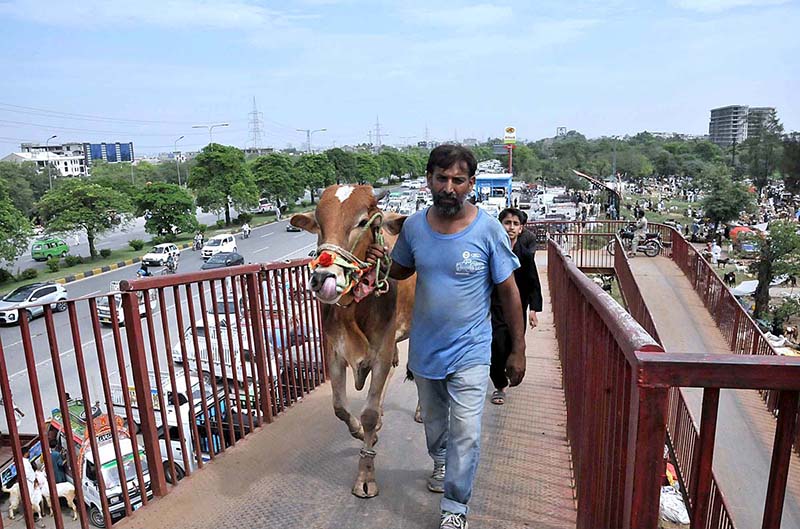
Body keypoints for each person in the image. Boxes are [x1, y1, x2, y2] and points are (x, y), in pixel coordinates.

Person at [367, 145, 525, 529]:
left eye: (458, 180)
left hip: (472, 351)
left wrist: (518, 350)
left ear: (471, 184)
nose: (449, 187)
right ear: (429, 181)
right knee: (437, 428)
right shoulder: (416, 227)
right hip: (426, 352)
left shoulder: (488, 229)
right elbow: (400, 271)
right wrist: (376, 263)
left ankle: (456, 507)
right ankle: (440, 460)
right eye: (442, 179)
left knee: (467, 432)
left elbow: (509, 292)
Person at [489, 208, 542, 406]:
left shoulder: (525, 256)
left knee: (513, 342)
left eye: (515, 224)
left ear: (521, 229)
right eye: (507, 223)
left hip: (518, 308)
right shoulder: (492, 251)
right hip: (496, 306)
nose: (510, 227)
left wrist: (533, 311)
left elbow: (533, 284)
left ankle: (514, 367)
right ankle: (500, 385)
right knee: (496, 344)